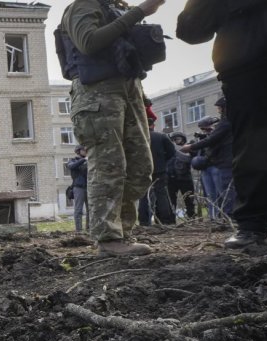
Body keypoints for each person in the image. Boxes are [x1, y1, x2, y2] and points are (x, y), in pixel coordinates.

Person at [57, 0, 167, 256]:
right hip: (97, 92)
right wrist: (139, 12)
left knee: (140, 166)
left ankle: (122, 233)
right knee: (109, 166)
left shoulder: (114, 7)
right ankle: (108, 238)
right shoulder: (83, 6)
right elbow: (88, 42)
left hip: (128, 88)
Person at [177, 0, 267, 248]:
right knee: (252, 146)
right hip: (246, 68)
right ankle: (252, 226)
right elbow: (190, 30)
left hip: (243, 63)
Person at [182, 105, 234, 221]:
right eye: (202, 127)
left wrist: (202, 140)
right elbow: (197, 152)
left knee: (222, 193)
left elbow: (212, 142)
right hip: (205, 168)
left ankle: (225, 217)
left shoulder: (220, 129)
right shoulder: (200, 137)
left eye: (206, 127)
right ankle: (213, 217)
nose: (203, 129)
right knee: (210, 195)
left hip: (217, 166)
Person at [138, 118, 176, 225]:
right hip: (159, 170)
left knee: (143, 196)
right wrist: (162, 161)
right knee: (162, 194)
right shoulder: (161, 136)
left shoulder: (138, 138)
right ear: (152, 125)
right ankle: (166, 220)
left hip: (143, 170)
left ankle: (144, 221)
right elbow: (172, 152)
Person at [166, 132, 196, 219]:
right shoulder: (170, 149)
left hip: (185, 179)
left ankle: (191, 218)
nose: (176, 141)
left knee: (189, 200)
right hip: (171, 179)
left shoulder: (189, 148)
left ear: (183, 139)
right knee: (171, 201)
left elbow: (191, 158)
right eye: (174, 140)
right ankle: (171, 220)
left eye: (178, 139)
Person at [67, 144, 90, 232]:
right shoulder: (72, 161)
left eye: (86, 150)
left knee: (90, 210)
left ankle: (89, 229)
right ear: (78, 151)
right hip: (78, 188)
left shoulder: (89, 161)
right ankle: (79, 230)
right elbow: (71, 166)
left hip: (89, 187)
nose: (86, 152)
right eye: (84, 150)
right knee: (78, 210)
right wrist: (83, 160)